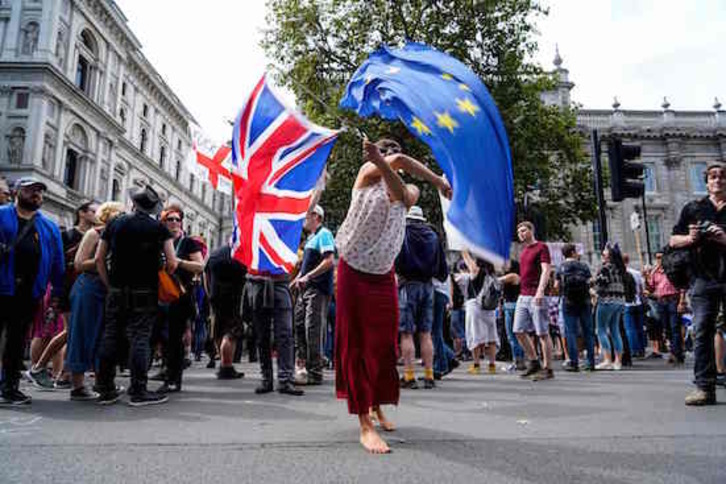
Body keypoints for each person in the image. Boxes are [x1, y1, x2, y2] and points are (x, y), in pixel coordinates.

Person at [335, 138, 451, 454]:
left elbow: (401, 192)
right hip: (352, 269)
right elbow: (393, 163)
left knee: (384, 344)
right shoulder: (364, 174)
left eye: (389, 155)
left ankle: (376, 404)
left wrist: (437, 182)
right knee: (357, 344)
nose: (386, 159)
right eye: (382, 154)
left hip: (382, 275)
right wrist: (381, 161)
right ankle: (365, 424)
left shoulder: (408, 191)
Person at [94, 185, 178, 407]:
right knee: (140, 338)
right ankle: (138, 390)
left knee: (111, 335)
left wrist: (109, 283)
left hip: (117, 290)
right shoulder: (159, 229)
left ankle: (105, 388)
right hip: (145, 291)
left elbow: (99, 259)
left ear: (133, 203)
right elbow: (172, 262)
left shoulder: (114, 223)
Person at [0, 177, 64, 405]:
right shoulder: (2, 214)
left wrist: (57, 291)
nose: (36, 195)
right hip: (2, 286)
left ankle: (9, 387)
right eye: (31, 190)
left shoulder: (48, 226)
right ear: (17, 192)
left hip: (29, 292)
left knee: (16, 342)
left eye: (39, 192)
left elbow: (58, 261)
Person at [670, 161, 726, 406]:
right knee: (702, 330)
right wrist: (690, 238)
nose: (718, 180)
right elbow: (673, 240)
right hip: (702, 278)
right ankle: (705, 387)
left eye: (723, 176)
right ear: (706, 181)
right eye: (713, 176)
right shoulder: (694, 208)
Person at [26, 201, 98, 390]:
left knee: (73, 332)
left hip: (83, 289)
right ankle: (39, 367)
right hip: (67, 287)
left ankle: (64, 373)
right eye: (92, 211)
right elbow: (58, 260)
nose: (96, 214)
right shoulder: (68, 235)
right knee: (66, 331)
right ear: (82, 213)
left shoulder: (95, 235)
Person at [65, 202, 124, 400]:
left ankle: (103, 381)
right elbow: (79, 264)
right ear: (107, 216)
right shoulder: (94, 234)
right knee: (81, 334)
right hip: (89, 288)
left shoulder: (120, 237)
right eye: (118, 214)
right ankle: (78, 385)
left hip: (107, 290)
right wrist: (105, 258)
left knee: (104, 337)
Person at [395, 205, 448, 389]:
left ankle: (409, 376)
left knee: (407, 333)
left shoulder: (403, 232)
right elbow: (443, 269)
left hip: (407, 285)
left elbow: (396, 258)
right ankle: (429, 375)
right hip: (428, 286)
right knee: (426, 333)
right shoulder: (434, 236)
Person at [157, 205, 204, 394]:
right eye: (171, 219)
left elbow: (200, 266)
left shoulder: (188, 243)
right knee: (161, 336)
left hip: (180, 295)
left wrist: (179, 262)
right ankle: (165, 371)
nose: (175, 222)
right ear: (163, 222)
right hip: (159, 295)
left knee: (175, 338)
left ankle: (174, 378)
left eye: (178, 219)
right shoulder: (159, 241)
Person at [290, 204, 335, 385]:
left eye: (307, 216)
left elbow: (329, 261)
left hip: (317, 289)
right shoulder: (310, 238)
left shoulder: (324, 234)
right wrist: (296, 281)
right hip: (305, 290)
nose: (304, 220)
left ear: (316, 216)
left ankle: (315, 372)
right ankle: (303, 367)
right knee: (300, 326)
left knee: (312, 329)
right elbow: (306, 267)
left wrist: (307, 277)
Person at [513, 221, 555, 381]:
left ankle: (548, 368)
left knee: (542, 332)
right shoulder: (523, 251)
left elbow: (546, 270)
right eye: (519, 232)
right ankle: (534, 361)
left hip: (536, 295)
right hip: (523, 295)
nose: (521, 234)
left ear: (531, 230)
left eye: (524, 231)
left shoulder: (541, 247)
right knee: (518, 330)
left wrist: (540, 291)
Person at [204, 241, 247, 379]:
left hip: (215, 295)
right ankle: (226, 366)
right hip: (233, 298)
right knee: (231, 332)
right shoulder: (240, 255)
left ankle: (224, 363)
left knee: (219, 330)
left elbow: (205, 274)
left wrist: (209, 293)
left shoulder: (215, 253)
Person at [458, 251, 499, 375]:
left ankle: (476, 365)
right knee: (491, 336)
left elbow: (466, 257)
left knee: (474, 335)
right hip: (490, 308)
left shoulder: (476, 270)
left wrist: (463, 246)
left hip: (475, 306)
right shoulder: (492, 274)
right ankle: (492, 365)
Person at [556, 244, 595, 372]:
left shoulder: (561, 267)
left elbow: (556, 286)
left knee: (570, 332)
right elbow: (590, 282)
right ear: (573, 252)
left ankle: (574, 362)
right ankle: (591, 362)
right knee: (588, 331)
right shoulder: (583, 266)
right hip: (584, 301)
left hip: (568, 302)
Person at [646, 252, 685, 365]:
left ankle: (676, 353)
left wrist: (681, 302)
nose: (659, 260)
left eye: (661, 257)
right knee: (666, 328)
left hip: (673, 299)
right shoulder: (655, 272)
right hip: (661, 301)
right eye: (657, 258)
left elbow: (681, 287)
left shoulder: (673, 270)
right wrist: (647, 277)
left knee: (674, 327)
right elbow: (651, 287)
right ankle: (675, 351)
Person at [594, 243, 627, 371]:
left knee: (601, 330)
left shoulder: (605, 268)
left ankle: (607, 359)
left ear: (608, 255)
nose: (602, 253)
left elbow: (601, 285)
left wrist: (593, 285)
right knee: (615, 330)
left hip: (606, 300)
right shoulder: (620, 268)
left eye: (604, 252)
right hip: (619, 301)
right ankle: (618, 361)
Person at [500, 259, 525, 371]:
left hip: (511, 306)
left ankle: (518, 361)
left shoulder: (513, 276)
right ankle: (521, 360)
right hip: (516, 305)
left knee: (512, 336)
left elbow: (497, 280)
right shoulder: (518, 276)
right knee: (519, 335)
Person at [623, 254, 646, 358]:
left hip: (627, 303)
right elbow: (641, 289)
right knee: (639, 327)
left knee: (630, 328)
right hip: (637, 302)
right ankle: (642, 349)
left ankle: (634, 349)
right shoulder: (636, 273)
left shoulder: (621, 273)